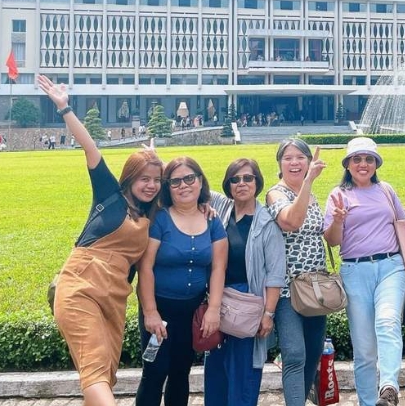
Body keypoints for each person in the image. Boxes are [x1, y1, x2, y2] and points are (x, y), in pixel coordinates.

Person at [37, 74, 163, 406]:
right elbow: (89, 145)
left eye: (156, 180)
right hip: (80, 286)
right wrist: (64, 108)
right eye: (144, 179)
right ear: (130, 178)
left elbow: (189, 194)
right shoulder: (109, 194)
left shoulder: (153, 215)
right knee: (94, 371)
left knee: (105, 374)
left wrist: (207, 205)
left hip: (115, 298)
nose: (150, 185)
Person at [136, 156, 228, 406]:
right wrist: (150, 312)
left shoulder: (212, 220)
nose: (183, 185)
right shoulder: (160, 219)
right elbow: (145, 266)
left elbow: (219, 267)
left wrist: (213, 310)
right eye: (175, 181)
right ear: (168, 188)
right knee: (154, 372)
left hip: (192, 311)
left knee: (180, 372)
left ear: (200, 181)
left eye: (189, 178)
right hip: (160, 311)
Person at [323, 138, 405, 406]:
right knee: (364, 349)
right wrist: (338, 220)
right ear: (348, 164)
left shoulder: (386, 190)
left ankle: (389, 388)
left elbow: (402, 223)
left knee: (387, 321)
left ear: (376, 164)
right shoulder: (338, 195)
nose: (363, 164)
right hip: (355, 270)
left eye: (369, 159)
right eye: (357, 159)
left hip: (390, 266)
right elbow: (333, 241)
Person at [205, 159, 286, 406]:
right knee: (216, 374)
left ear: (257, 182)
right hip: (217, 304)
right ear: (228, 185)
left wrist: (268, 314)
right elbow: (191, 183)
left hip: (247, 307)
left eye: (247, 178)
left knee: (243, 379)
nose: (242, 184)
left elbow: (275, 273)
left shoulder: (266, 224)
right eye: (235, 179)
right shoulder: (220, 208)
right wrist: (157, 161)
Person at [266, 138, 328, 406]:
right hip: (287, 288)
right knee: (294, 354)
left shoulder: (311, 195)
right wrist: (308, 182)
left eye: (300, 157)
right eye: (288, 158)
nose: (294, 163)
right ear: (280, 164)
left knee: (313, 355)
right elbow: (292, 221)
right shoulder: (276, 193)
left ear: (308, 161)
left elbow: (326, 235)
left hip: (315, 288)